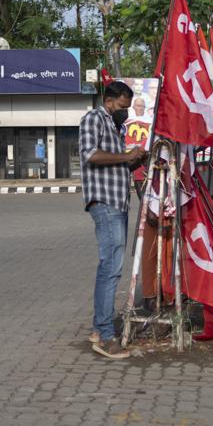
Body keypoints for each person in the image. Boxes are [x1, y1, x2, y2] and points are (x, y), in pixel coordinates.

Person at [80, 81, 147, 359]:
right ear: (110, 100)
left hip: (118, 202)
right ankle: (106, 336)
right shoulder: (94, 118)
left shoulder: (115, 127)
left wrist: (137, 158)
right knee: (112, 267)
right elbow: (90, 155)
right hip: (105, 202)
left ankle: (99, 328)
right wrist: (125, 155)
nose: (125, 112)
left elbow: (119, 163)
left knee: (109, 265)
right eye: (123, 106)